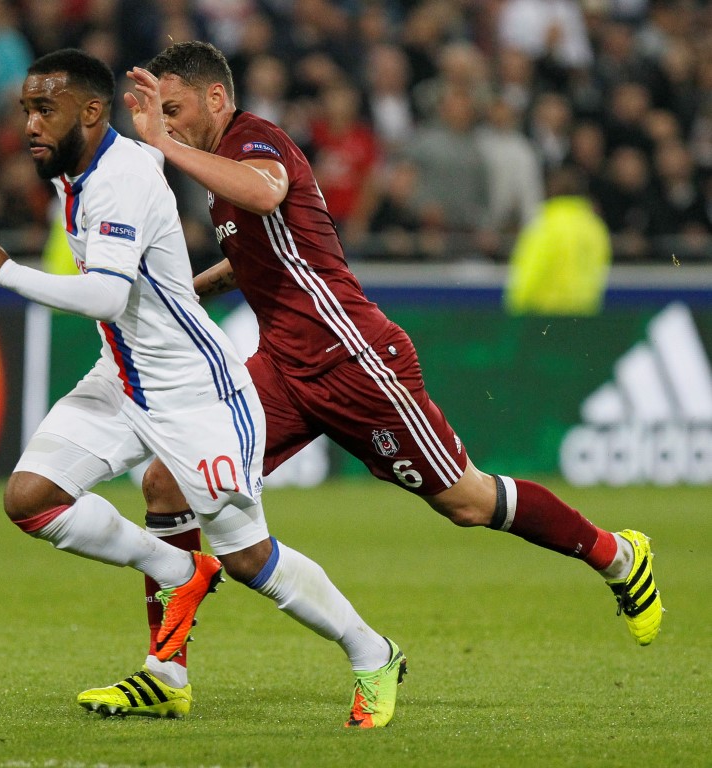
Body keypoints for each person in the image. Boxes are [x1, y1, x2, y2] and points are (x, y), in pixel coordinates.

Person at [78, 39, 663, 723]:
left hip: (355, 363)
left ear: (216, 98)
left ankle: (617, 555)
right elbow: (256, 258)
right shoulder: (218, 169)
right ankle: (166, 671)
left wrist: (160, 145)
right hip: (284, 370)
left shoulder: (256, 142)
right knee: (167, 482)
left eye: (175, 111)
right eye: (160, 117)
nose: (167, 125)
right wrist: (185, 293)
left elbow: (265, 192)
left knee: (468, 501)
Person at [0, 48, 403, 727]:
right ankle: (176, 599)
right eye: (26, 110)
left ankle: (372, 652)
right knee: (32, 498)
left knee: (248, 557)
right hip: (122, 375)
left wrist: (5, 271)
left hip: (194, 390)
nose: (31, 124)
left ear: (90, 112)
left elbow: (106, 295)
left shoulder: (119, 178)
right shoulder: (82, 170)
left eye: (45, 110)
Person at [504, 164, 611, 316]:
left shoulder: (546, 223)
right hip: (584, 315)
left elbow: (531, 268)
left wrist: (516, 304)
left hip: (546, 315)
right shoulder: (595, 226)